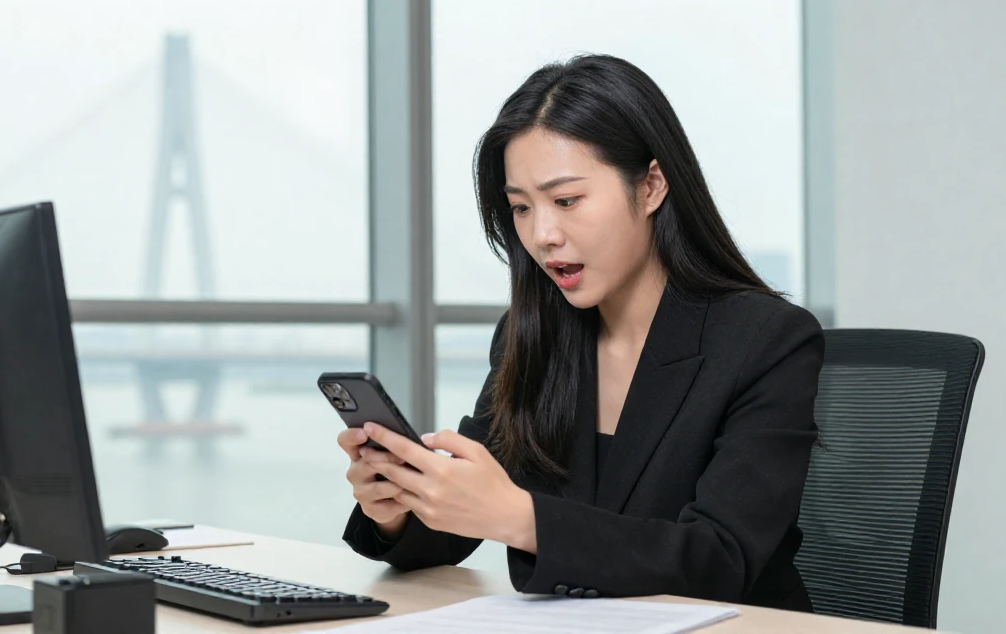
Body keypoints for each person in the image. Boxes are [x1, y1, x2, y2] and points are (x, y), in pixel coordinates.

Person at [336, 54, 824, 612]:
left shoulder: (767, 341)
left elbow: (720, 560)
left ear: (651, 186)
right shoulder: (534, 335)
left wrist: (522, 519)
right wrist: (399, 509)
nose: (543, 234)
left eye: (567, 200)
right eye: (520, 207)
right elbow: (459, 528)